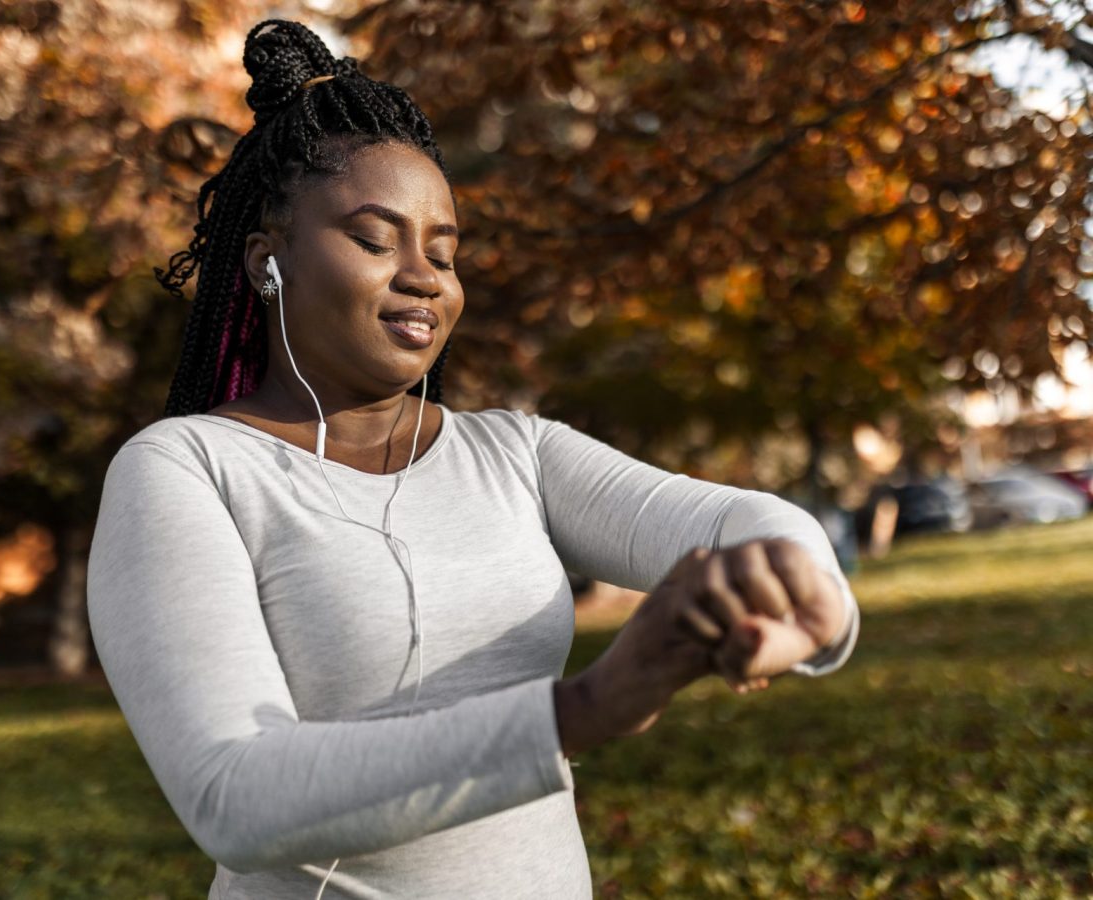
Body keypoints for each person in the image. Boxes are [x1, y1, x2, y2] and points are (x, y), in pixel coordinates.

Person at [86, 19, 860, 900]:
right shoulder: (186, 470)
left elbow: (735, 517)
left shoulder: (515, 452)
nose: (424, 277)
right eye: (377, 241)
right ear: (269, 263)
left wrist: (797, 599)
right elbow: (234, 797)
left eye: (443, 252)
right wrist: (584, 709)